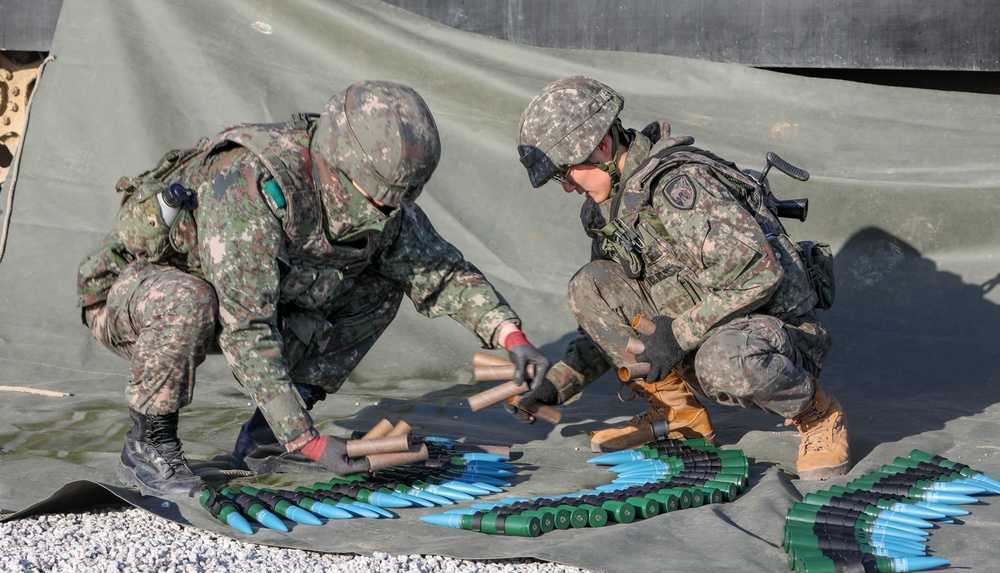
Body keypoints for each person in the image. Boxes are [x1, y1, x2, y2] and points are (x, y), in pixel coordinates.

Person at [77, 81, 550, 496]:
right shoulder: (251, 183)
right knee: (190, 300)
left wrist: (511, 336)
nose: (383, 214)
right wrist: (309, 439)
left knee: (379, 286)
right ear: (338, 165)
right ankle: (148, 444)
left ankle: (265, 441)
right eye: (376, 196)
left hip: (249, 297)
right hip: (137, 296)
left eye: (396, 201)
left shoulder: (379, 198)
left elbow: (440, 272)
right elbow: (248, 328)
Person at [509, 76, 850, 481]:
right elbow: (609, 321)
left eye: (566, 172)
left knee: (721, 362)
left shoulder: (679, 186)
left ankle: (817, 413)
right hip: (699, 330)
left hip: (775, 336)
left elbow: (762, 274)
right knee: (590, 284)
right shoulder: (605, 211)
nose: (566, 187)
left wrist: (678, 335)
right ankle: (679, 416)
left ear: (601, 146)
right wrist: (556, 385)